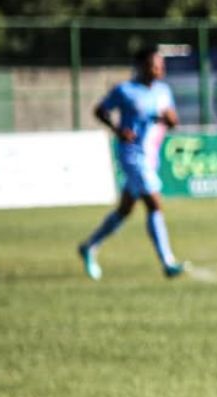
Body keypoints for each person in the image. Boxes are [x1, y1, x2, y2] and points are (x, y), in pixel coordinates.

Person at [76, 45, 185, 281]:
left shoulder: (164, 91)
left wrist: (170, 118)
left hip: (150, 157)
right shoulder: (126, 90)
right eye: (155, 65)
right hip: (132, 155)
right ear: (142, 66)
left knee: (125, 210)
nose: (160, 69)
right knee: (155, 204)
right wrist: (117, 130)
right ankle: (168, 262)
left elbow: (173, 122)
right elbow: (100, 110)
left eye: (161, 65)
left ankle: (89, 246)